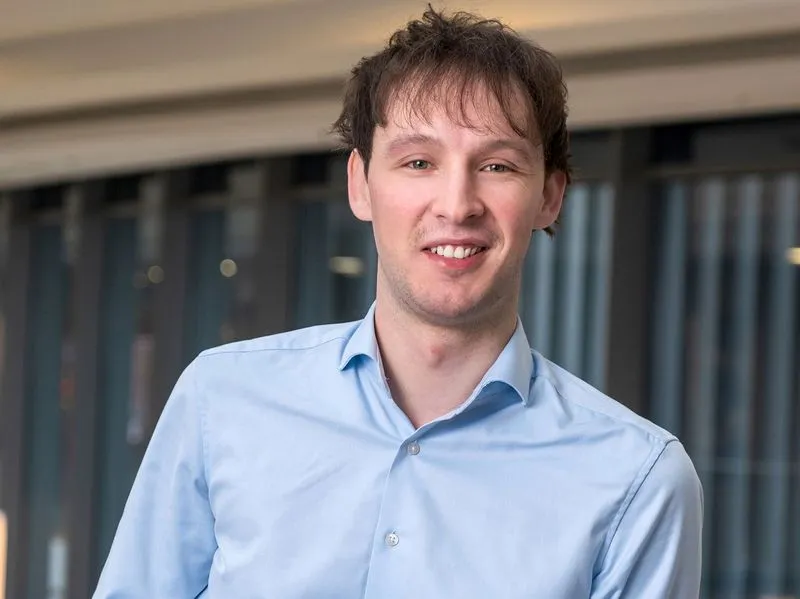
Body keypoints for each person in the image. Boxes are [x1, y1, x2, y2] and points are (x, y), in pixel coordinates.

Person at [94, 6, 703, 598]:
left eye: (496, 164)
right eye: (418, 162)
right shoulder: (221, 398)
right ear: (360, 184)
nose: (457, 204)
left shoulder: (638, 480)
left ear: (549, 197)